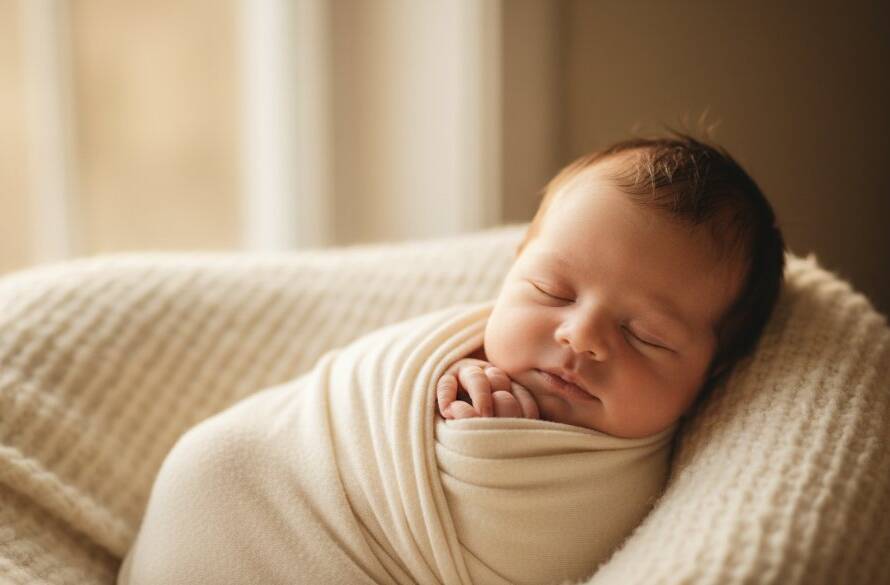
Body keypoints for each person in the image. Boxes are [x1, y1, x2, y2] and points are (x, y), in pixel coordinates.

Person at [437, 133, 785, 439]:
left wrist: (503, 449)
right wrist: (442, 380)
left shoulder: (652, 474)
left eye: (646, 336)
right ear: (515, 267)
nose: (582, 336)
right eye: (552, 291)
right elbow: (386, 376)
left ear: (713, 373)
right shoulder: (452, 356)